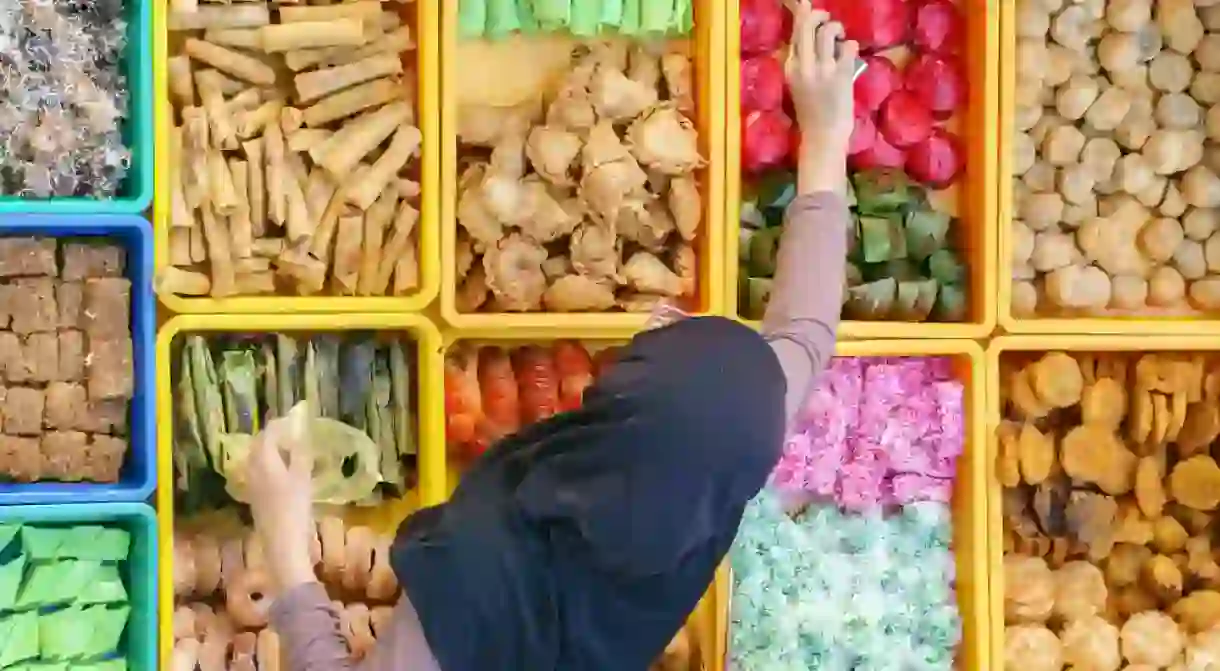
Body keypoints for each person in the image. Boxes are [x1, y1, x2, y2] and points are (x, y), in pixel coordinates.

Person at [244, 6, 857, 670]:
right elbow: (807, 327)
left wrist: (285, 548)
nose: (659, 317)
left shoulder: (471, 591)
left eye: (650, 348)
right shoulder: (731, 451)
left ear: (607, 411)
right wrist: (826, 134)